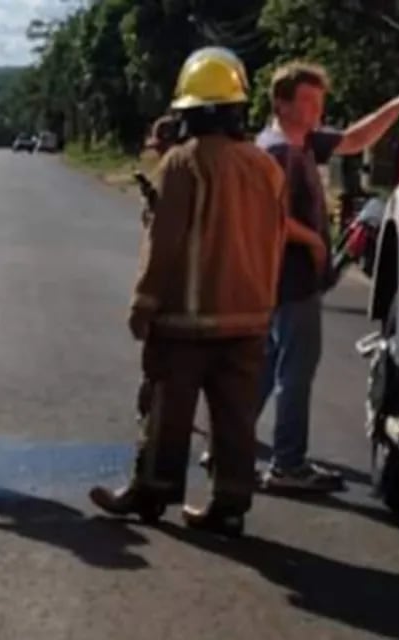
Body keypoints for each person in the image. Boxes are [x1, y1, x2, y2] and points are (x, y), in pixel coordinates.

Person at [89, 47, 288, 536]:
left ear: (189, 112)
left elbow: (165, 242)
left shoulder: (183, 164)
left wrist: (143, 302)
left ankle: (150, 492)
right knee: (235, 419)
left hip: (185, 321)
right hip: (249, 319)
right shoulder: (266, 167)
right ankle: (230, 504)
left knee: (165, 411)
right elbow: (276, 239)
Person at [241, 62, 399, 492]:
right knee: (296, 372)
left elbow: (355, 138)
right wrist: (314, 241)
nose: (316, 109)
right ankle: (288, 465)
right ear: (282, 104)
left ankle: (231, 441)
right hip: (289, 277)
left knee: (270, 365)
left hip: (285, 280)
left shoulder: (301, 140)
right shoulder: (276, 152)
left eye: (319, 101)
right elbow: (273, 217)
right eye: (308, 101)